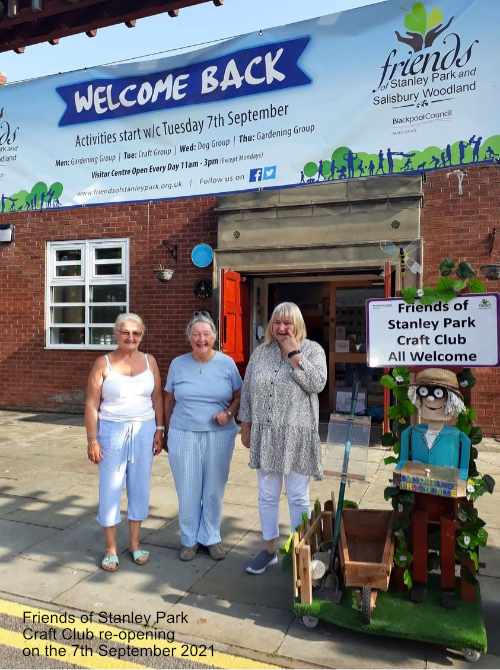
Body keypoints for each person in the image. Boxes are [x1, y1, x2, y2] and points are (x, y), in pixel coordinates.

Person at [239, 302, 327, 575]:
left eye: (288, 323)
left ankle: (302, 549)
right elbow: (248, 390)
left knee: (298, 496)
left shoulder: (312, 350)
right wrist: (246, 423)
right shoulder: (261, 353)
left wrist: (295, 355)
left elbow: (317, 384)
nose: (281, 328)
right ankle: (268, 550)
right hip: (266, 435)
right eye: (277, 322)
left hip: (297, 435)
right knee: (267, 495)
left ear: (297, 325)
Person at [85, 313, 164, 572]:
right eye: (125, 332)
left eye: (136, 333)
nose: (131, 337)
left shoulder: (151, 361)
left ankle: (135, 544)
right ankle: (110, 548)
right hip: (111, 431)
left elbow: (158, 399)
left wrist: (160, 429)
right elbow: (91, 404)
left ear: (142, 335)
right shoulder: (102, 363)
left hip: (144, 430)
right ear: (116, 333)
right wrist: (92, 439)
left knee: (139, 486)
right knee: (110, 487)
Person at [164, 312, 242, 561]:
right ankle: (189, 540)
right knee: (187, 489)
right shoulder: (178, 364)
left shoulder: (227, 363)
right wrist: (163, 430)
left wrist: (229, 413)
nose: (201, 339)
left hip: (219, 435)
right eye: (196, 334)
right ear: (189, 337)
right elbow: (168, 399)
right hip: (183, 433)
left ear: (214, 337)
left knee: (213, 489)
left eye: (206, 334)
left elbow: (240, 395)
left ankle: (211, 537)